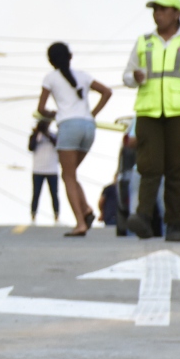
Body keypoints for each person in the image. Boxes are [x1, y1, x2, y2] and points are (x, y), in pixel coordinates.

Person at [122, 0, 180, 242]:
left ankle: (174, 225)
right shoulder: (144, 42)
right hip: (149, 112)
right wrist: (134, 78)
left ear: (176, 14)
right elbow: (127, 75)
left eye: (162, 10)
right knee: (149, 166)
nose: (157, 14)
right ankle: (142, 218)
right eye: (155, 10)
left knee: (174, 169)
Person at [38, 42, 112, 237]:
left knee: (68, 176)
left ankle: (80, 222)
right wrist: (92, 113)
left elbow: (41, 108)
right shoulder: (84, 76)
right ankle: (86, 209)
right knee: (70, 173)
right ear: (70, 56)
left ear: (51, 60)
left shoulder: (50, 78)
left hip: (69, 127)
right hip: (88, 127)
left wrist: (52, 114)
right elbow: (107, 92)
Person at [28, 119, 60, 223]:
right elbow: (31, 147)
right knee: (36, 193)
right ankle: (33, 214)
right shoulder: (35, 136)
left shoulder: (53, 135)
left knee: (54, 194)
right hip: (38, 169)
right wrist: (38, 133)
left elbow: (57, 144)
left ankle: (56, 215)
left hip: (52, 170)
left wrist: (47, 134)